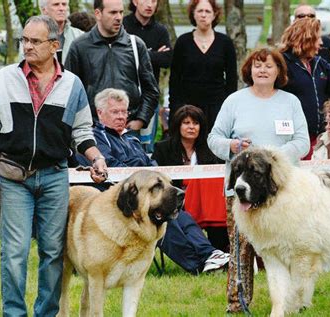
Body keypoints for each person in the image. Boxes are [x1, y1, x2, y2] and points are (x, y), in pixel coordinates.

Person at [0, 16, 107, 316]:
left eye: (34, 41)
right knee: (14, 253)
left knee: (53, 254)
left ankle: (46, 313)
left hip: (54, 178)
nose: (27, 46)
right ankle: (14, 314)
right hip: (14, 177)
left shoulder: (72, 85)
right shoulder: (3, 80)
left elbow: (82, 134)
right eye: (23, 40)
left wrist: (96, 158)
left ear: (55, 45)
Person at [78, 88, 229, 274]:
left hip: (149, 194)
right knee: (161, 214)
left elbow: (153, 164)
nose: (121, 116)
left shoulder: (131, 139)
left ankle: (210, 254)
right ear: (100, 113)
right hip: (119, 200)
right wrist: (142, 168)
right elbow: (112, 166)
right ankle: (199, 265)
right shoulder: (95, 139)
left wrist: (144, 169)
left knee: (177, 211)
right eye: (115, 112)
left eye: (124, 112)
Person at [208, 48, 310, 313]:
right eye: (257, 65)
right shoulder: (234, 101)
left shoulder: (291, 102)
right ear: (248, 71)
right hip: (241, 190)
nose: (262, 70)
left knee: (286, 247)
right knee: (240, 248)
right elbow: (213, 138)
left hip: (281, 191)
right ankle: (237, 303)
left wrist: (271, 157)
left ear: (279, 71)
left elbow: (302, 142)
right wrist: (232, 145)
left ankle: (291, 302)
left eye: (268, 65)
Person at [65, 0, 159, 131]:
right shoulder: (80, 46)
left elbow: (151, 90)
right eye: (113, 12)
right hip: (93, 130)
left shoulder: (135, 45)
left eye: (121, 12)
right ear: (98, 13)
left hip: (128, 130)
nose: (119, 17)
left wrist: (141, 120)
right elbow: (69, 91)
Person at [153, 105, 229, 251]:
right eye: (186, 123)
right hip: (174, 199)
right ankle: (212, 252)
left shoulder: (210, 148)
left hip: (206, 202)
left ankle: (218, 250)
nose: (191, 127)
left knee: (213, 195)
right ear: (178, 125)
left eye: (196, 123)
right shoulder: (163, 148)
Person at [280, 17, 330, 159]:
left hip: (319, 136)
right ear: (306, 39)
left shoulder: (320, 64)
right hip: (293, 137)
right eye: (317, 39)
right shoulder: (282, 63)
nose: (321, 43)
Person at [168, 0, 237, 131]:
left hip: (217, 109)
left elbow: (231, 80)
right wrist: (175, 111)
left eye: (207, 11)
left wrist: (228, 110)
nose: (203, 15)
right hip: (188, 110)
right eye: (200, 11)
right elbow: (175, 80)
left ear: (214, 14)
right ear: (193, 14)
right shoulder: (183, 42)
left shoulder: (225, 43)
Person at [123, 0, 173, 151]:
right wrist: (154, 54)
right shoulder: (124, 25)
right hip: (125, 95)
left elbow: (167, 60)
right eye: (145, 0)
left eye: (154, 1)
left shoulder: (160, 30)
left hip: (149, 96)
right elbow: (123, 56)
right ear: (135, 2)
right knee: (124, 146)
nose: (150, 5)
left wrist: (141, 54)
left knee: (147, 148)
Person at [39, 0, 84, 64]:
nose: (61, 8)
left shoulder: (80, 35)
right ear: (44, 10)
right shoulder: (32, 36)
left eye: (64, 4)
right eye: (56, 4)